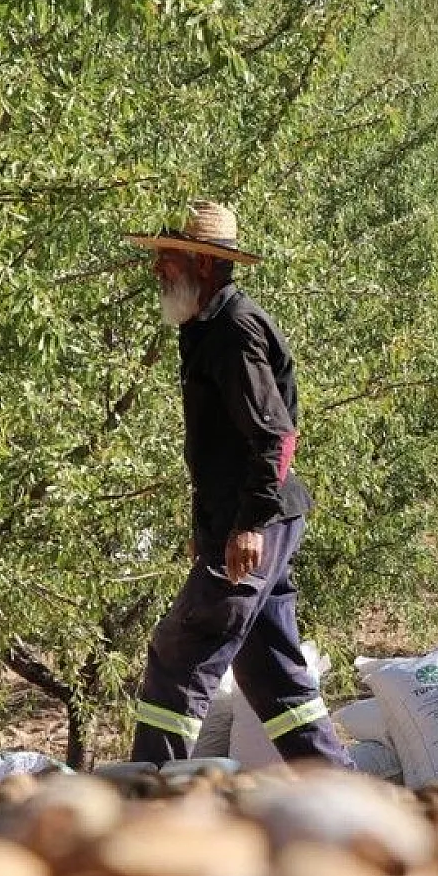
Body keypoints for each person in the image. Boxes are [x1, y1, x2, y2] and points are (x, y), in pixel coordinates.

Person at [123, 201, 348, 767]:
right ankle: (347, 793)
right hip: (249, 520)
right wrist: (212, 528)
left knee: (180, 654)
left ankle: (152, 795)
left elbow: (275, 437)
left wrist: (247, 525)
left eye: (166, 258)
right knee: (273, 676)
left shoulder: (232, 329)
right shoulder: (205, 325)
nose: (157, 271)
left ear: (201, 264)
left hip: (258, 521)